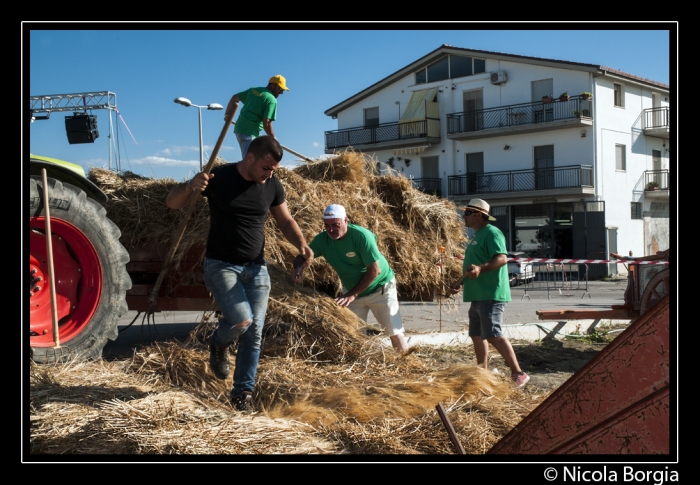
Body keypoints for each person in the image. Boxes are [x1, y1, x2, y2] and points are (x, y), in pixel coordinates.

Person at [166, 135, 313, 413]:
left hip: (256, 268)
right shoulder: (218, 177)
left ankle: (242, 394)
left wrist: (302, 244)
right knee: (242, 320)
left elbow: (286, 220)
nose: (269, 174)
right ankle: (219, 343)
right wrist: (190, 185)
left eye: (274, 171)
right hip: (221, 266)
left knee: (254, 333)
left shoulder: (272, 185)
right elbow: (173, 203)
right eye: (266, 168)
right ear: (250, 158)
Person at [291, 204, 409, 352]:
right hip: (352, 292)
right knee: (353, 335)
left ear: (346, 220)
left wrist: (351, 295)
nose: (331, 230)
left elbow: (374, 270)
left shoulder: (361, 236)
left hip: (380, 289)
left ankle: (408, 365)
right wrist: (299, 267)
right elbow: (302, 256)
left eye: (336, 225)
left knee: (394, 331)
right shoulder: (322, 240)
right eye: (327, 226)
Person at [449, 198, 529, 388]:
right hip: (477, 294)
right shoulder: (477, 236)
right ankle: (482, 372)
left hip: (491, 294)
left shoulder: (492, 233)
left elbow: (501, 258)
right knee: (477, 335)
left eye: (467, 213)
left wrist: (480, 269)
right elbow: (473, 267)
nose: (463, 217)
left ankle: (518, 373)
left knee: (493, 333)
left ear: (478, 214)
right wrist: (460, 282)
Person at [224, 75, 289, 159]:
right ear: (273, 84)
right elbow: (267, 123)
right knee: (250, 162)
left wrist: (227, 114)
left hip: (240, 128)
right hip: (249, 133)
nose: (281, 92)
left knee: (256, 159)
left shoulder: (254, 90)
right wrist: (273, 138)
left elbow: (234, 98)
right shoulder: (272, 100)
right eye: (280, 89)